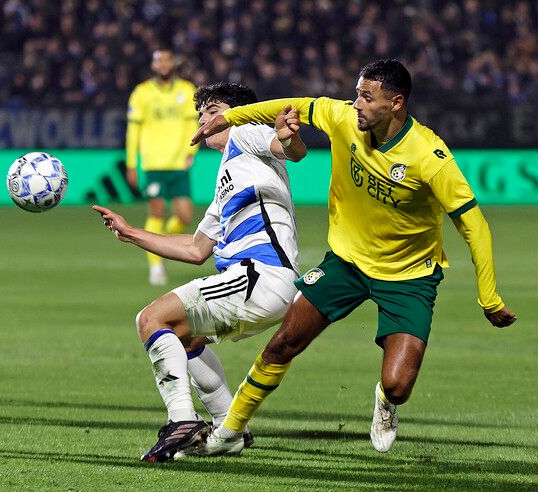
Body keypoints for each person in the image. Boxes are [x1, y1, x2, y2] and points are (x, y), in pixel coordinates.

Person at [188, 59, 517, 456]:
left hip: (409, 275)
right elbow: (292, 103)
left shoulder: (429, 156)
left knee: (399, 384)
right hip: (345, 263)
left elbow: (474, 225)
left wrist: (490, 295)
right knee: (283, 344)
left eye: (366, 97)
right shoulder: (342, 117)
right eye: (356, 93)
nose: (355, 103)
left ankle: (386, 401)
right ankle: (229, 431)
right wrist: (229, 119)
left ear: (395, 104)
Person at [95, 82, 307, 462]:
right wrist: (131, 233)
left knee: (152, 318)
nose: (204, 119)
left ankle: (181, 421)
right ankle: (230, 428)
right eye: (201, 113)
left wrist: (288, 138)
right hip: (261, 283)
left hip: (259, 274)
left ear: (238, 114)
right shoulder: (228, 181)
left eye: (213, 110)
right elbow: (195, 250)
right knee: (183, 335)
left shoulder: (246, 134)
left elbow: (288, 149)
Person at [125, 48, 199, 286]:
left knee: (185, 216)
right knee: (156, 211)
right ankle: (156, 266)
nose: (164, 64)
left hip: (178, 162)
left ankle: (163, 241)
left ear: (173, 63)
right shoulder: (142, 92)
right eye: (159, 60)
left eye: (167, 60)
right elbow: (133, 130)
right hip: (153, 164)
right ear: (154, 65)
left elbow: (194, 124)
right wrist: (131, 164)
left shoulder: (187, 90)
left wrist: (191, 151)